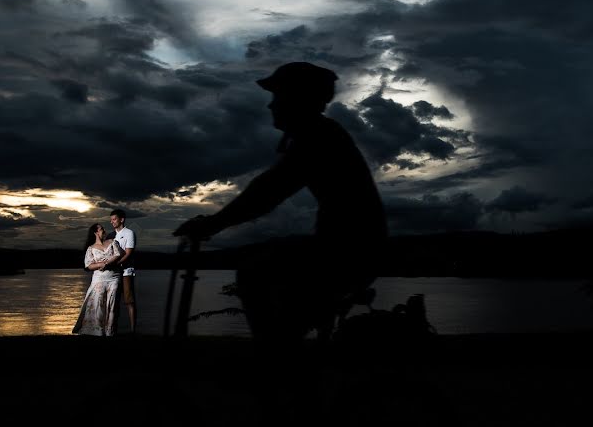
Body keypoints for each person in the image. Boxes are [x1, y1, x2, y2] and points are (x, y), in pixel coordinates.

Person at [174, 61, 388, 343]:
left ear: (299, 99)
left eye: (278, 97)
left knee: (256, 274)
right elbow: (269, 187)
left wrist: (213, 224)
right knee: (277, 292)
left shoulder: (318, 136)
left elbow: (268, 191)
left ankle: (275, 363)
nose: (271, 106)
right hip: (351, 249)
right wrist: (215, 222)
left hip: (349, 252)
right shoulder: (318, 134)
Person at [73, 224, 123, 336]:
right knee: (99, 303)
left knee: (112, 303)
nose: (104, 230)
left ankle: (110, 331)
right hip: (99, 279)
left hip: (114, 277)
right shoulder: (91, 248)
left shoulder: (112, 242)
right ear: (96, 232)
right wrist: (100, 264)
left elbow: (118, 254)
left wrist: (107, 263)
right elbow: (89, 265)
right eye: (101, 229)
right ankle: (97, 330)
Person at [110, 209, 137, 333]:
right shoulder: (111, 235)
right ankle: (112, 329)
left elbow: (128, 253)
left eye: (114, 219)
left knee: (129, 300)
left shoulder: (129, 233)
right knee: (114, 301)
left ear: (122, 219)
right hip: (114, 272)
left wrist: (116, 263)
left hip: (126, 271)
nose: (112, 222)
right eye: (111, 220)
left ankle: (132, 330)